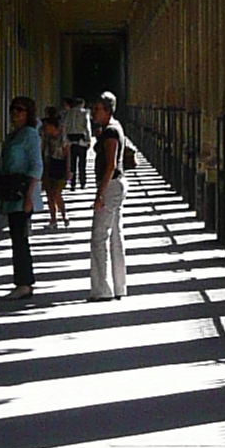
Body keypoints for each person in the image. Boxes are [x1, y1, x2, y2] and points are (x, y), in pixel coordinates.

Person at [0, 95, 42, 296]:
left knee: (20, 238)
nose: (15, 113)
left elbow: (36, 165)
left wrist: (30, 196)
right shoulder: (13, 135)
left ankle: (24, 283)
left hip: (23, 194)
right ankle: (23, 281)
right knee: (16, 237)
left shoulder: (30, 135)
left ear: (28, 113)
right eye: (13, 109)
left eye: (20, 110)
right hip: (11, 192)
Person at [89, 90, 128, 301]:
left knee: (99, 236)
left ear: (107, 110)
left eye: (97, 109)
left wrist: (99, 195)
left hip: (110, 186)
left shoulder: (111, 132)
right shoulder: (113, 128)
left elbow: (111, 165)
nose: (93, 112)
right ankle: (119, 285)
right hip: (116, 185)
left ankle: (101, 288)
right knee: (115, 237)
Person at [40, 106, 70, 230]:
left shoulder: (62, 134)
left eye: (47, 127)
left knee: (56, 193)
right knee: (49, 194)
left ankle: (63, 215)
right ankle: (53, 219)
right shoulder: (45, 135)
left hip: (59, 166)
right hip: (48, 165)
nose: (45, 129)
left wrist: (69, 170)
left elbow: (67, 152)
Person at [63, 96, 90, 191]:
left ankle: (72, 183)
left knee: (72, 163)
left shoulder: (69, 113)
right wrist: (88, 139)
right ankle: (83, 182)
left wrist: (64, 139)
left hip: (71, 140)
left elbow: (65, 126)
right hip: (81, 140)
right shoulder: (84, 112)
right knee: (82, 163)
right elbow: (87, 126)